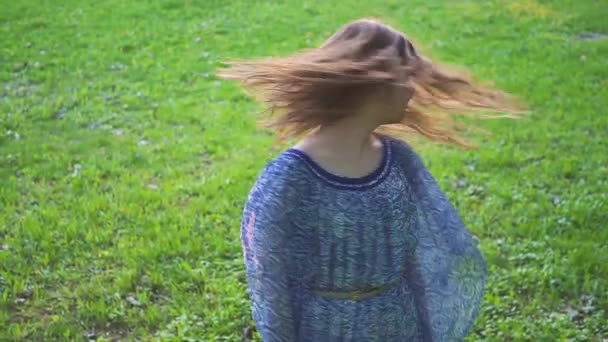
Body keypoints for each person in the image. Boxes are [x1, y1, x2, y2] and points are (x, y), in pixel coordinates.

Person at [220, 18, 522, 342]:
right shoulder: (288, 179)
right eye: (407, 78)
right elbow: (270, 287)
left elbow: (423, 260)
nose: (411, 90)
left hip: (398, 328)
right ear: (376, 84)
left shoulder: (399, 160)